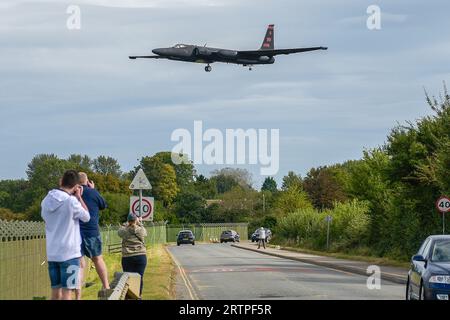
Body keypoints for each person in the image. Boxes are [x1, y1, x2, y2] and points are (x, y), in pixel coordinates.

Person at [41, 170, 90, 300]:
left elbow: (45, 217)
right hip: (70, 255)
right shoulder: (71, 202)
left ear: (60, 181)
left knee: (55, 291)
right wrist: (79, 198)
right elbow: (87, 217)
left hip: (52, 254)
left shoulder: (46, 200)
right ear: (75, 187)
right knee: (67, 293)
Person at [76, 172, 109, 300]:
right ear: (87, 181)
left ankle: (78, 296)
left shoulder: (72, 193)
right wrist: (93, 189)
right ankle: (106, 286)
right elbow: (103, 205)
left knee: (79, 264)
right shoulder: (93, 192)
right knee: (97, 259)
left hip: (76, 233)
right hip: (91, 232)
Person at [118, 214, 148, 298]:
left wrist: (125, 224)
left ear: (128, 221)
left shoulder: (124, 231)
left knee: (128, 278)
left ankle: (129, 296)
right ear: (136, 220)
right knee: (140, 277)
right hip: (140, 256)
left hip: (127, 256)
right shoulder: (140, 229)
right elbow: (145, 233)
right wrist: (140, 223)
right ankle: (139, 295)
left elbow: (119, 232)